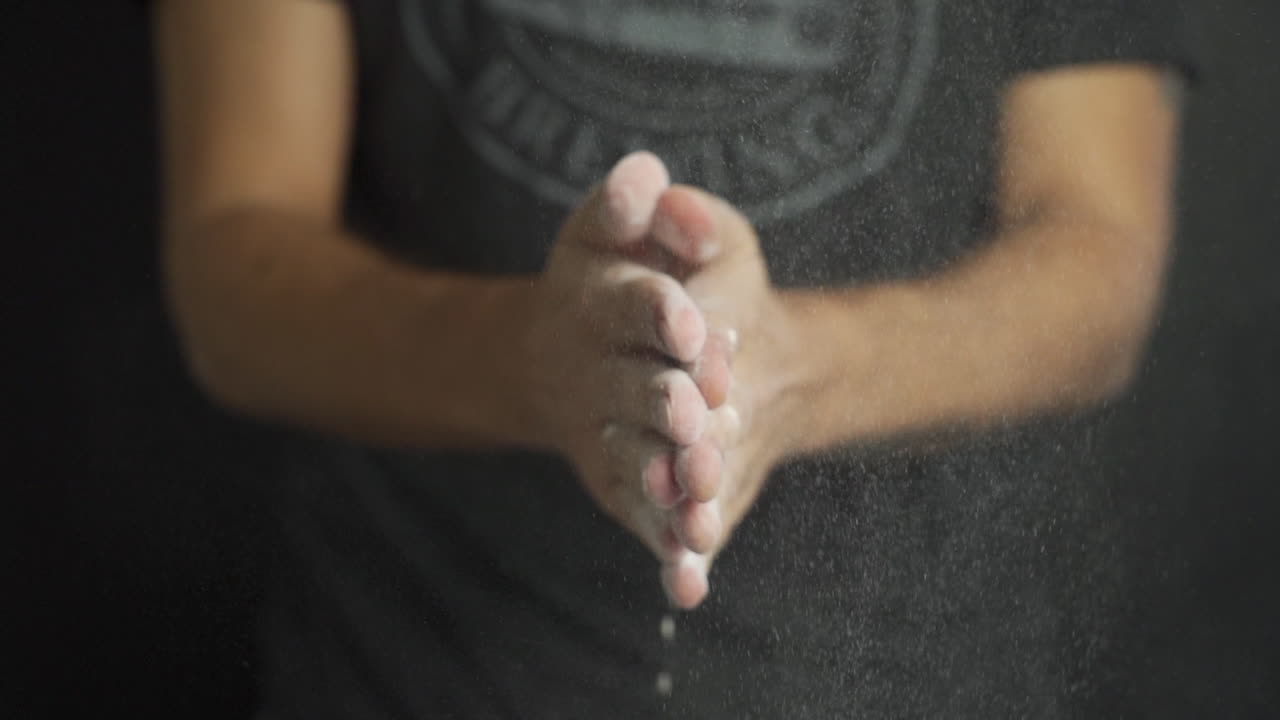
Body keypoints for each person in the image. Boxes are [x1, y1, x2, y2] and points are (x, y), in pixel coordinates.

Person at [152, 0, 1195, 716]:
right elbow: (234, 272)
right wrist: (540, 361)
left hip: (920, 681)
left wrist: (788, 370)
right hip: (417, 675)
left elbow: (1094, 258)